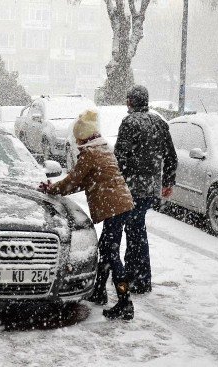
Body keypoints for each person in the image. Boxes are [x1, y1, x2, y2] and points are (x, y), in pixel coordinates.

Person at [39, 109, 136, 320]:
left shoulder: (90, 153)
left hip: (115, 208)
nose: (76, 140)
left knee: (111, 254)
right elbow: (83, 182)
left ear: (83, 135)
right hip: (121, 205)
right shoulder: (102, 149)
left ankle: (125, 301)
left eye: (77, 136)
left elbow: (73, 179)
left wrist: (51, 189)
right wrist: (56, 188)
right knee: (107, 248)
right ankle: (100, 291)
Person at [113, 85, 178, 294]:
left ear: (131, 101)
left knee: (133, 230)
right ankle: (140, 278)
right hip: (150, 188)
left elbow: (120, 156)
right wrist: (168, 182)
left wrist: (116, 181)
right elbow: (171, 156)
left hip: (131, 187)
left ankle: (135, 277)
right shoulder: (159, 122)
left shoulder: (129, 123)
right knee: (137, 229)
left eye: (128, 100)